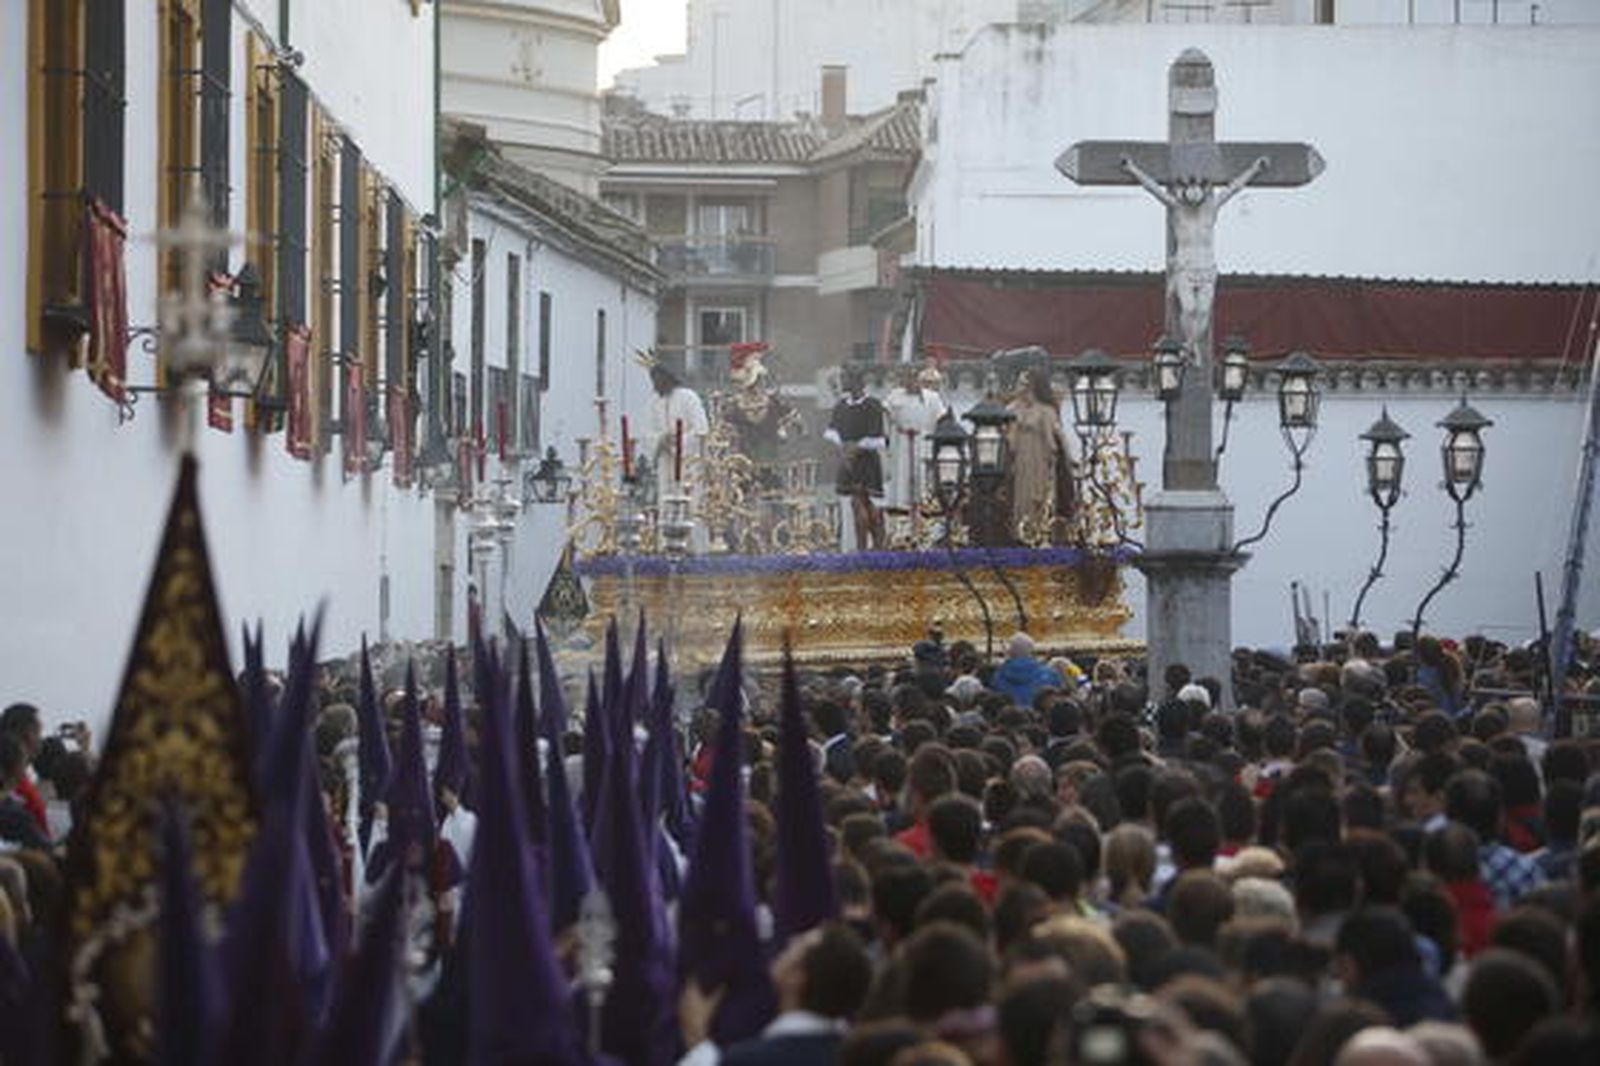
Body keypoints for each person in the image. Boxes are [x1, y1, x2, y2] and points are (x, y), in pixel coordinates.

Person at [826, 366, 888, 551]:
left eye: (845, 378)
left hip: (866, 461)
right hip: (849, 460)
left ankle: (874, 547)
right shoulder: (841, 406)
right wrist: (844, 453)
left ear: (856, 382)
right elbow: (834, 434)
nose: (842, 382)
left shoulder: (872, 405)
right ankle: (867, 549)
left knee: (866, 503)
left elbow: (876, 436)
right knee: (858, 502)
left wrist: (851, 452)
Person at [1006, 369, 1072, 543]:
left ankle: (1039, 529)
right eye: (1019, 383)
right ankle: (1019, 531)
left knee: (1037, 493)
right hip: (1020, 458)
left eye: (1023, 383)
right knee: (1020, 495)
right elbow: (1008, 442)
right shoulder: (1012, 408)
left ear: (1032, 387)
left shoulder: (1045, 411)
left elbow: (1054, 441)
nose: (1018, 387)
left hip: (1039, 459)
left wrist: (1062, 461)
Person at [883, 365, 948, 512]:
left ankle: (924, 503)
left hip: (923, 439)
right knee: (901, 472)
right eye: (908, 379)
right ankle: (901, 505)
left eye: (914, 379)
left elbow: (941, 417)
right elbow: (886, 412)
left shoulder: (932, 397)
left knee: (923, 473)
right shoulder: (895, 395)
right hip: (902, 440)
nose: (911, 382)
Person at [646, 360, 711, 501]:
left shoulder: (688, 397)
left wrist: (678, 442)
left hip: (688, 462)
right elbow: (649, 433)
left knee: (690, 499)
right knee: (665, 498)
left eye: (658, 379)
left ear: (668, 378)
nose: (656, 384)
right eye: (653, 379)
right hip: (666, 461)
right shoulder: (655, 403)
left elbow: (701, 429)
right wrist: (660, 440)